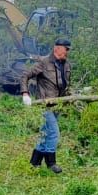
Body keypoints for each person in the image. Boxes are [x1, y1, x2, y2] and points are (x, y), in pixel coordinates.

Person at [20, 38, 71, 173]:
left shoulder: (66, 65)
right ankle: (51, 163)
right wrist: (25, 93)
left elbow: (65, 85)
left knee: (44, 134)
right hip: (44, 105)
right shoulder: (43, 63)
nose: (67, 52)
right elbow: (25, 75)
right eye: (66, 49)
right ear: (57, 48)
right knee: (54, 133)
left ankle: (34, 163)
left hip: (58, 105)